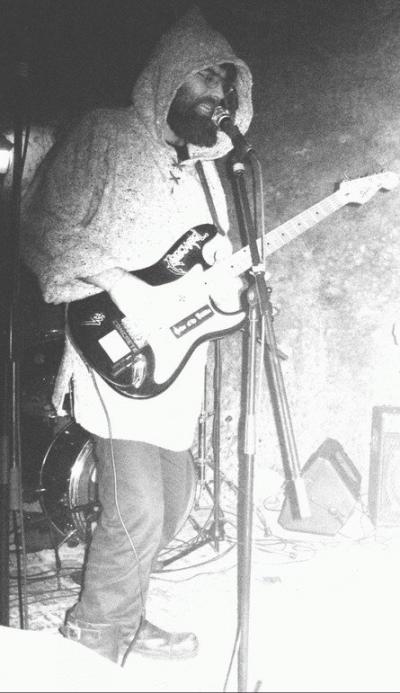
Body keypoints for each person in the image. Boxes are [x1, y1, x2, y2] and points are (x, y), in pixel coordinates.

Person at [21, 5, 253, 666]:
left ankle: (125, 610)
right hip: (112, 349)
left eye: (225, 79)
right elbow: (41, 228)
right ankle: (93, 639)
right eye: (203, 75)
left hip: (171, 362)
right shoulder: (105, 134)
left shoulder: (207, 170)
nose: (217, 91)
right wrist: (117, 279)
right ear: (166, 78)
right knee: (139, 507)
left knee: (174, 501)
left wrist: (227, 286)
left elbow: (198, 271)